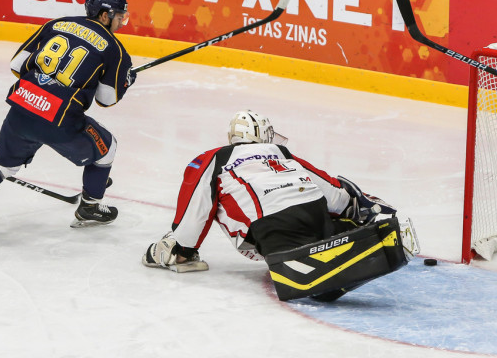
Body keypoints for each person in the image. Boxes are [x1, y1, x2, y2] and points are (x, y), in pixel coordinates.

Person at [143, 110, 419, 301]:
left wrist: (182, 246)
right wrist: (356, 206)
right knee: (328, 229)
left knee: (315, 285)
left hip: (272, 224)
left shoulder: (213, 158)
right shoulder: (281, 152)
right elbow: (333, 192)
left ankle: (321, 269)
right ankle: (366, 232)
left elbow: (197, 205)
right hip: (314, 210)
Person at [0, 0, 136, 235]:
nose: (121, 22)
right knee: (108, 148)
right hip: (60, 123)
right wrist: (126, 79)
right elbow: (106, 99)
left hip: (22, 108)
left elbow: (17, 64)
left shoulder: (58, 24)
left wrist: (46, 79)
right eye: (119, 16)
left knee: (2, 165)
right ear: (105, 15)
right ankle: (90, 206)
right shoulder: (115, 49)